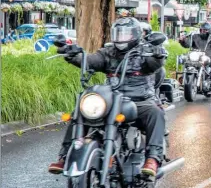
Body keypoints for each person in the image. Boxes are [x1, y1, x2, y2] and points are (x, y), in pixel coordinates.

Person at [48, 17, 167, 177]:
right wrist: (72, 54)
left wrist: (158, 55)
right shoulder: (108, 52)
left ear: (136, 35)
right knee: (81, 110)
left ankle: (152, 158)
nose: (121, 38)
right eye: (118, 34)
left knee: (155, 112)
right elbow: (90, 60)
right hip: (111, 99)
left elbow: (154, 64)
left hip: (139, 100)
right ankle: (65, 156)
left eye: (125, 34)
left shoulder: (144, 51)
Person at [179, 22, 211, 88]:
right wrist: (183, 40)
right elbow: (188, 44)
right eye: (202, 30)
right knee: (186, 62)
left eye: (205, 30)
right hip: (196, 58)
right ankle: (184, 79)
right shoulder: (195, 36)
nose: (203, 31)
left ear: (209, 30)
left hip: (209, 58)